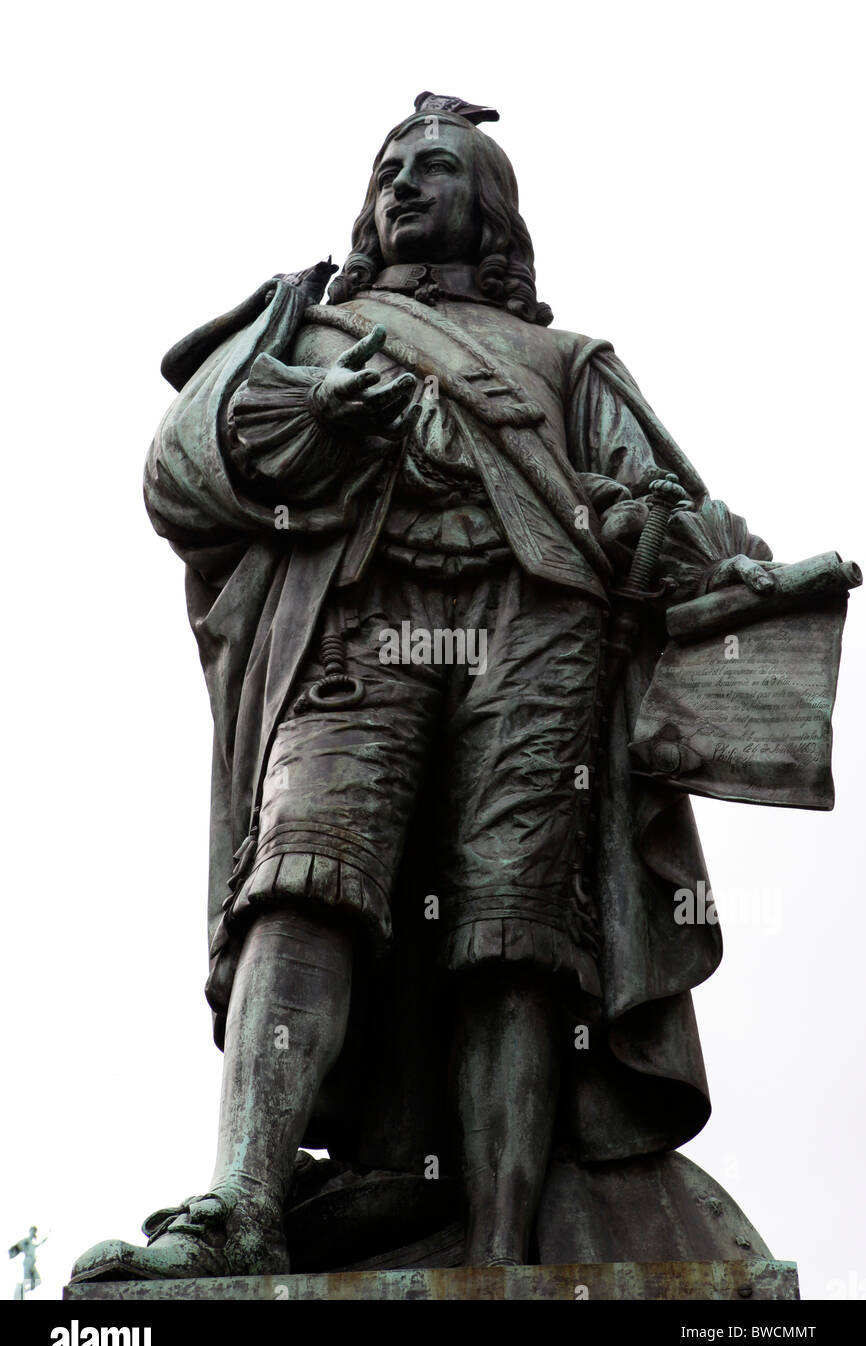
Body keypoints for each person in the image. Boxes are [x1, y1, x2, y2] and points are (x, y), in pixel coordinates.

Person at [71, 93, 777, 1283]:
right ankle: (246, 1200)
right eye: (389, 167)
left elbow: (691, 526)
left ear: (488, 207)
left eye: (435, 167)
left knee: (515, 932)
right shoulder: (305, 326)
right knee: (301, 875)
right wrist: (313, 416)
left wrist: (642, 523)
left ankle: (505, 1252)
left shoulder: (567, 362)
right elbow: (182, 472)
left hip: (537, 624)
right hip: (368, 614)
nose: (402, 184)